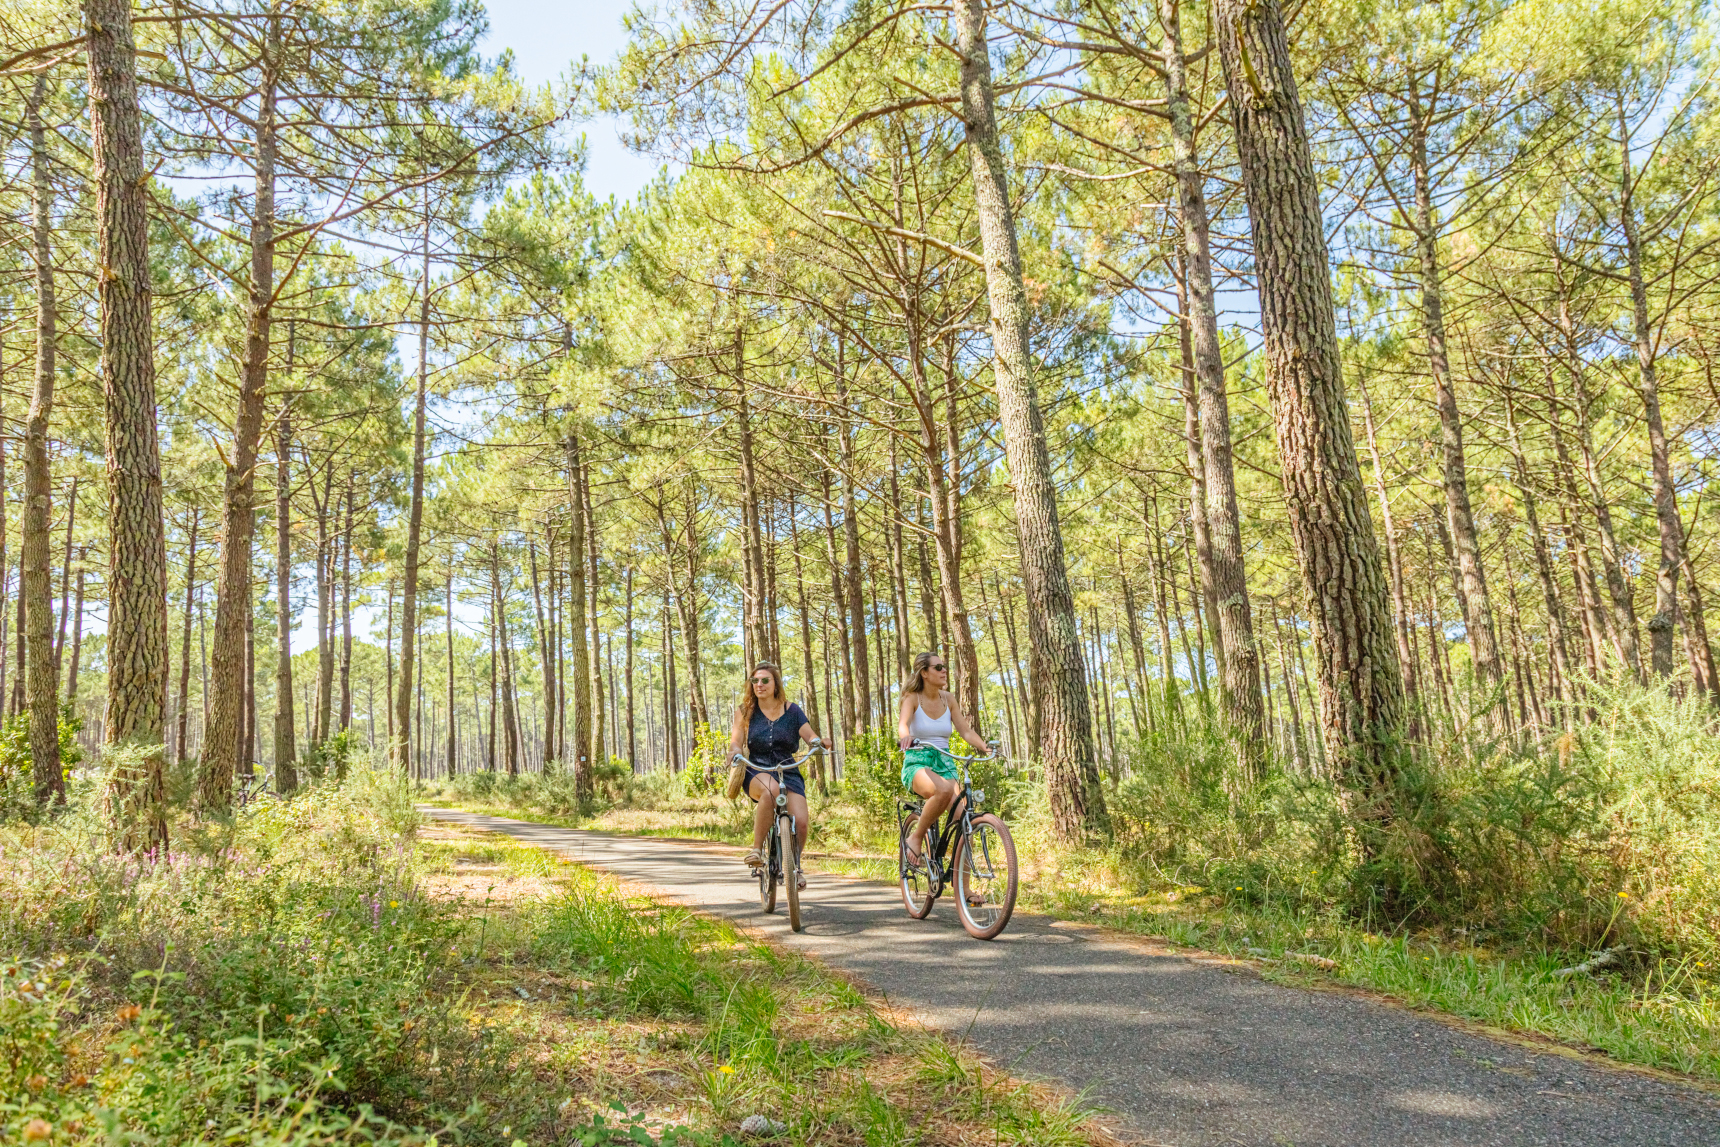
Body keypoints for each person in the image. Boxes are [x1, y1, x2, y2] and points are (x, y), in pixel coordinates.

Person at [897, 651, 990, 871]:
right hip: (918, 761)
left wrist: (984, 746)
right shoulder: (912, 698)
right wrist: (906, 737)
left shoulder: (948, 699)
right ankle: (916, 838)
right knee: (943, 791)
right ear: (924, 673)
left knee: (966, 823)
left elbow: (965, 731)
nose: (944, 670)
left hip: (945, 762)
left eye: (945, 666)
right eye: (938, 667)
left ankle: (965, 889)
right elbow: (903, 724)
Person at [728, 661, 819, 886]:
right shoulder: (745, 711)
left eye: (765, 680)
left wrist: (818, 742)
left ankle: (794, 867)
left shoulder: (792, 711)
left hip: (787, 769)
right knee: (771, 790)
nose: (760, 684)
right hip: (756, 768)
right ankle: (757, 850)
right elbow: (736, 741)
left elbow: (810, 735)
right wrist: (734, 752)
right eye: (755, 680)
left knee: (802, 822)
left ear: (775, 684)